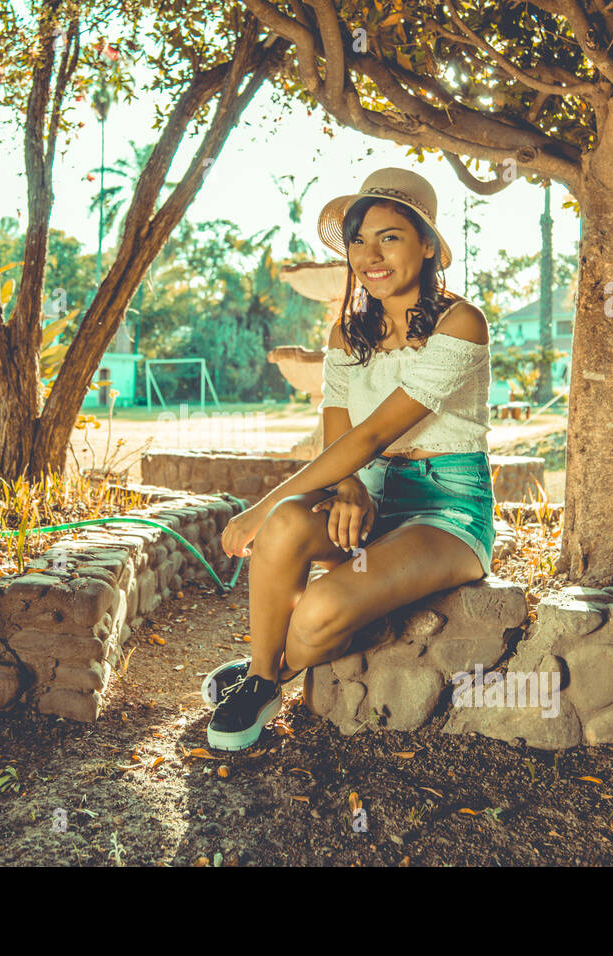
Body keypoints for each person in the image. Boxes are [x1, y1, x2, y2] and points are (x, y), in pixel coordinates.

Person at [204, 167, 497, 751]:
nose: (370, 255)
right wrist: (350, 489)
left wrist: (255, 510)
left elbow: (371, 435)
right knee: (290, 523)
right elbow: (340, 439)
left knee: (316, 610)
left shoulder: (461, 324)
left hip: (446, 509)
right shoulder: (347, 335)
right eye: (358, 241)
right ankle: (261, 682)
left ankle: (267, 667)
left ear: (428, 245)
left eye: (389, 237)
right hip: (370, 490)